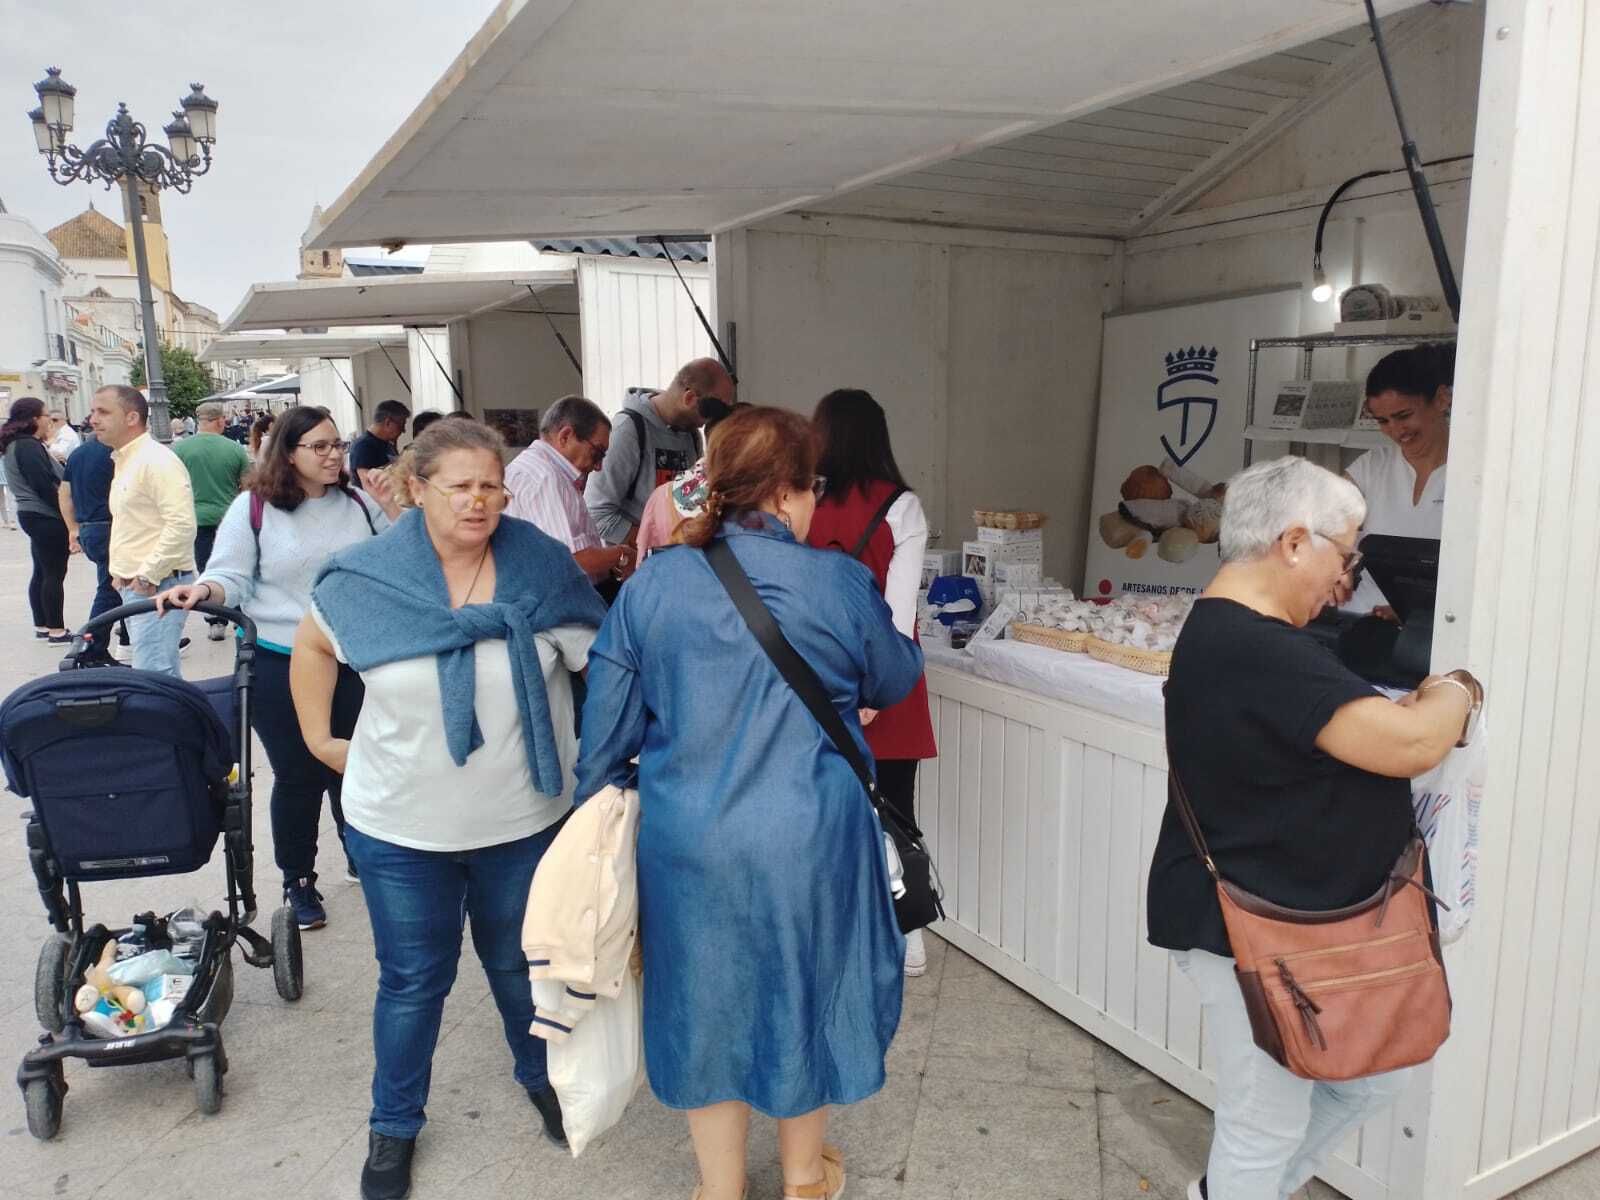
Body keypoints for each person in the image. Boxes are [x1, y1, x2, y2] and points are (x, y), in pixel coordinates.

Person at [575, 406, 923, 1200]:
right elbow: (895, 677)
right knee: (809, 987)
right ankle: (803, 1179)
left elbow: (602, 743)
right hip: (812, 835)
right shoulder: (838, 580)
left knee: (704, 1002)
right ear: (790, 491)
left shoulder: (653, 583)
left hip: (688, 839)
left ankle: (722, 1188)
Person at [1145, 456, 1482, 1200]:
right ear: (1294, 542)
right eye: (1348, 553)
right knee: (1263, 1123)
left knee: (1371, 1081)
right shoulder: (1257, 648)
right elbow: (1412, 744)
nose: (1348, 578)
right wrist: (1459, 690)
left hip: (1300, 917)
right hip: (1251, 925)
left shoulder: (1242, 635)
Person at [288, 418, 604, 1200]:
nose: (478, 501)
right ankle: (394, 1125)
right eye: (460, 486)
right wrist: (322, 741)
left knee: (520, 966)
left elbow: (601, 665)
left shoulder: (542, 567)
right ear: (415, 487)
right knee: (412, 981)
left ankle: (541, 1078)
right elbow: (313, 647)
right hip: (400, 826)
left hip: (522, 821)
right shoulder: (367, 577)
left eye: (491, 486)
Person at [157, 406, 400, 925]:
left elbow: (404, 561)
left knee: (356, 762)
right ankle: (298, 879)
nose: (334, 455)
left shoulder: (360, 503)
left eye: (337, 444)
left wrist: (392, 507)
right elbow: (229, 574)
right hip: (280, 660)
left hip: (355, 658)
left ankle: (362, 852)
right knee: (298, 773)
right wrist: (202, 591)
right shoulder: (254, 508)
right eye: (320, 446)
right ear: (288, 453)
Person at [806, 388, 938, 977]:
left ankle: (832, 935)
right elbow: (899, 611)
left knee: (822, 810)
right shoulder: (901, 506)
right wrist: (876, 690)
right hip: (887, 681)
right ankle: (907, 933)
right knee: (894, 808)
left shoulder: (800, 499)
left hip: (813, 681)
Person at [89, 385, 196, 677]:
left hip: (158, 584)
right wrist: (119, 573)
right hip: (139, 583)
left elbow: (182, 524)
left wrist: (148, 575)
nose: (93, 419)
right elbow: (133, 522)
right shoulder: (127, 460)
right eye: (93, 411)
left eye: (103, 412)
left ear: (132, 417)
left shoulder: (156, 461)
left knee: (154, 673)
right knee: (157, 671)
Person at [1339, 343, 1454, 618]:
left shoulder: (1475, 473)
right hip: (1358, 618)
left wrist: (1414, 610)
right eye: (1383, 421)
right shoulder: (1371, 466)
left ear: (1441, 399)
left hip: (1435, 626)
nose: (1395, 430)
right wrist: (1335, 562)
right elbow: (1329, 525)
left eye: (1404, 416)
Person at [584, 358, 733, 547]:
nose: (712, 421)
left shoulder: (691, 434)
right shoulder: (628, 431)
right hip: (636, 560)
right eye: (714, 409)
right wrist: (653, 542)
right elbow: (597, 513)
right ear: (689, 398)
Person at [504, 395, 631, 583]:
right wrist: (621, 554)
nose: (598, 466)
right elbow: (570, 560)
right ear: (565, 436)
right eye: (597, 453)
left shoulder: (533, 469)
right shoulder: (546, 478)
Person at [174, 402, 252, 641]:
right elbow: (248, 486)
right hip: (230, 517)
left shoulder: (179, 449)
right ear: (219, 421)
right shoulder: (235, 449)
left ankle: (215, 620)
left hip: (197, 519)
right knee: (236, 567)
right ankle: (239, 617)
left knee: (208, 570)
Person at [1, 397, 70, 641]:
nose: (49, 421)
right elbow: (43, 485)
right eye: (46, 416)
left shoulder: (17, 444)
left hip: (31, 513)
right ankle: (56, 630)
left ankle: (42, 624)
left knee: (42, 570)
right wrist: (67, 514)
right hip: (44, 514)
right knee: (53, 573)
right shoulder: (28, 446)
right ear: (34, 419)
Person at [59, 434, 122, 634]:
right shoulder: (116, 453)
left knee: (119, 585)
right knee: (110, 589)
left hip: (88, 528)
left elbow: (65, 494)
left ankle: (127, 637)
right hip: (110, 526)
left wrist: (72, 528)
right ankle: (93, 642)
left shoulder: (77, 454)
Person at [349, 400, 411, 477]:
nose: (404, 430)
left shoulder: (388, 443)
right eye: (401, 426)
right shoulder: (362, 446)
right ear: (388, 423)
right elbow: (367, 482)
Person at [0, 449, 14, 529]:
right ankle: (8, 522)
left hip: (8, 477)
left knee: (8, 500)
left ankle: (10, 522)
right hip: (8, 476)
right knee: (6, 500)